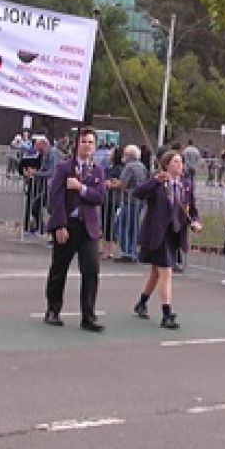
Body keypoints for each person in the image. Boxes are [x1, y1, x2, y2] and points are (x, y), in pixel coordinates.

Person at [43, 128, 107, 331]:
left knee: (91, 270)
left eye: (91, 142)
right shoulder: (64, 167)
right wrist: (60, 224)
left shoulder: (97, 170)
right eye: (84, 141)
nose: (87, 145)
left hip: (88, 226)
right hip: (68, 224)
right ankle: (53, 309)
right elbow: (55, 198)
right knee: (59, 268)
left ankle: (88, 315)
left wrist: (81, 188)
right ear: (77, 144)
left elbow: (100, 197)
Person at [133, 150, 202, 328]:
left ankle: (141, 303)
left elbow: (192, 210)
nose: (180, 165)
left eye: (181, 162)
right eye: (176, 162)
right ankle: (167, 313)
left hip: (175, 234)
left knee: (156, 273)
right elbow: (138, 193)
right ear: (166, 165)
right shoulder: (158, 183)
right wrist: (155, 180)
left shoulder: (186, 185)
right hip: (157, 233)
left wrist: (195, 222)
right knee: (166, 271)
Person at [113, 144, 149, 261]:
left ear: (129, 155)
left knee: (121, 225)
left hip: (130, 200)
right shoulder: (142, 166)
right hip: (140, 200)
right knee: (133, 227)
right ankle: (132, 251)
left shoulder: (129, 167)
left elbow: (123, 184)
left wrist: (114, 184)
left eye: (125, 154)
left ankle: (127, 251)